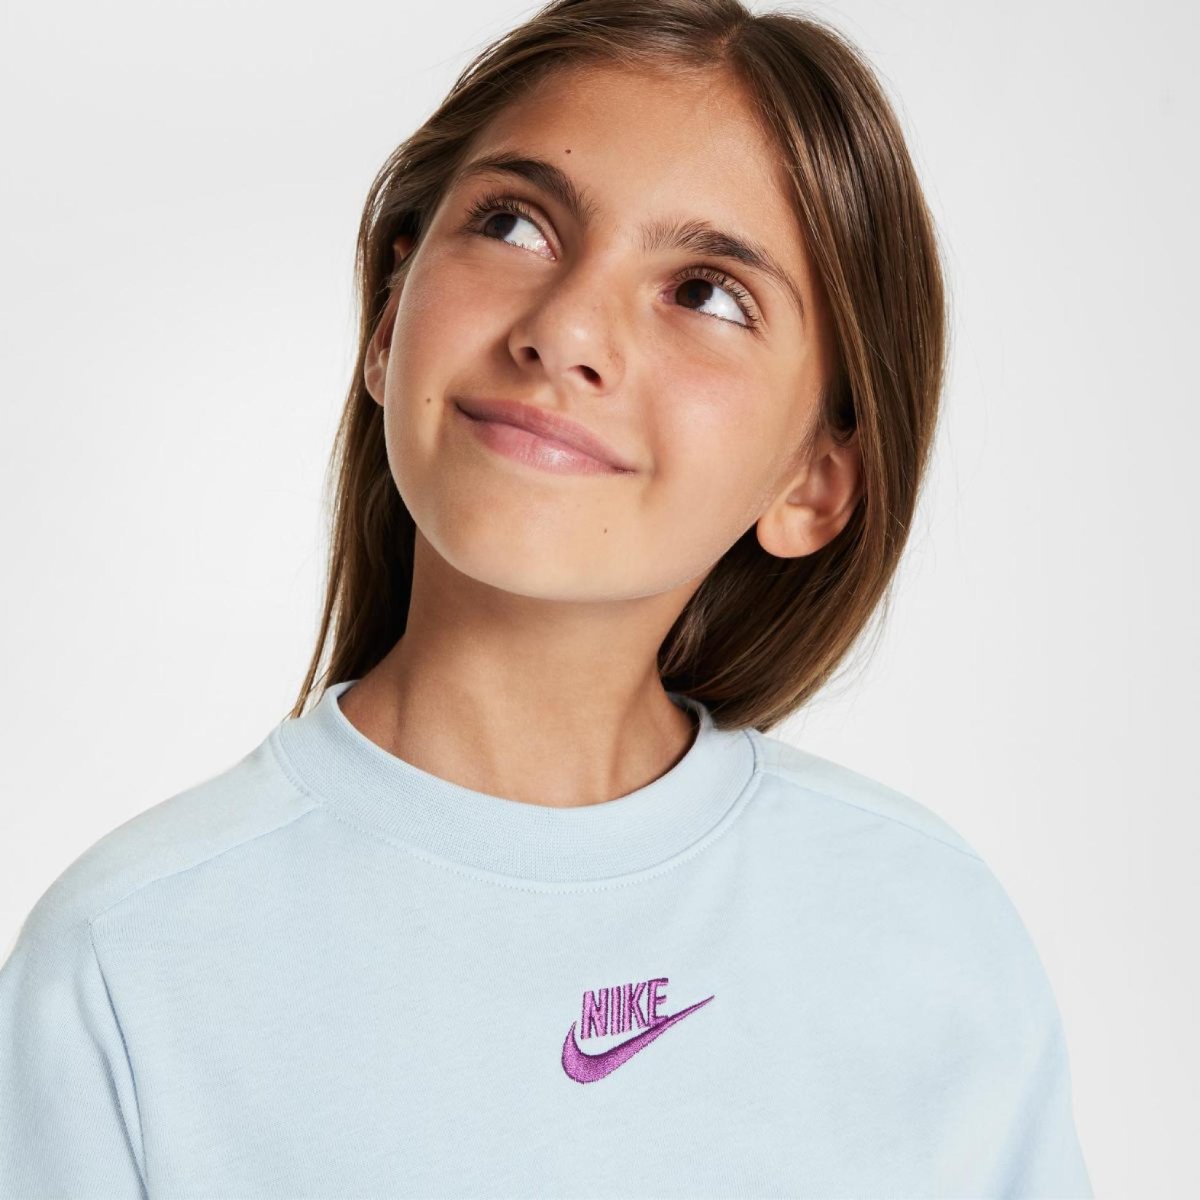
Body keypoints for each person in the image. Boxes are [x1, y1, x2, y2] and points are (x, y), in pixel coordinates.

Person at [0, 1, 1093, 1196]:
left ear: (815, 482)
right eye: (514, 223)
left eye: (707, 293)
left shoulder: (924, 931)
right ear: (390, 319)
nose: (566, 329)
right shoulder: (127, 960)